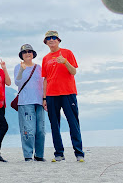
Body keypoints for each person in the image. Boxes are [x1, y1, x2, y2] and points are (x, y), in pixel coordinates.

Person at [42, 31, 84, 162]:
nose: (51, 40)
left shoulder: (67, 53)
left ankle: (79, 153)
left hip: (68, 93)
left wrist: (65, 62)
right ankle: (58, 153)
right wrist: (44, 98)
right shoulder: (45, 58)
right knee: (54, 125)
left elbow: (74, 71)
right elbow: (45, 79)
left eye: (54, 38)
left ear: (58, 40)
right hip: (51, 95)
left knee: (73, 123)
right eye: (48, 38)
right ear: (46, 42)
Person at [14, 44, 46, 162]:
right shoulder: (18, 67)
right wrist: (22, 70)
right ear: (21, 55)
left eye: (30, 51)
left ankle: (39, 155)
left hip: (39, 101)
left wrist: (44, 99)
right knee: (28, 130)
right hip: (25, 102)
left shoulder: (39, 68)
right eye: (25, 52)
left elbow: (44, 83)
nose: (28, 54)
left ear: (33, 54)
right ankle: (28, 155)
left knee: (41, 130)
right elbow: (17, 82)